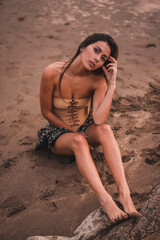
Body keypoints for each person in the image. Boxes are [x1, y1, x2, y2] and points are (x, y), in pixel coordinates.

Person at [36, 33, 141, 223]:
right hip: (57, 133)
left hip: (84, 128)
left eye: (103, 58)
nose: (97, 59)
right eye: (96, 50)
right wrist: (72, 131)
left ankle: (124, 194)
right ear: (83, 46)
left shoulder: (97, 80)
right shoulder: (51, 72)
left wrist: (112, 84)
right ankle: (105, 198)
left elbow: (99, 119)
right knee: (78, 140)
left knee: (106, 129)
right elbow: (46, 112)